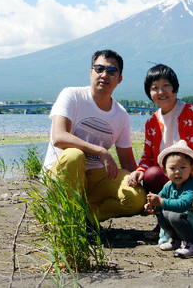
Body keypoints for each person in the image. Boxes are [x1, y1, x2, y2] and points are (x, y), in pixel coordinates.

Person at [42, 50, 146, 222]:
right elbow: (59, 137)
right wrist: (100, 151)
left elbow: (127, 161)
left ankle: (85, 218)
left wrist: (140, 181)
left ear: (119, 79)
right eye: (99, 69)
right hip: (64, 173)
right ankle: (65, 219)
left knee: (136, 198)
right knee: (74, 155)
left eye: (112, 71)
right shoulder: (72, 95)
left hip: (97, 177)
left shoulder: (121, 114)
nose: (104, 75)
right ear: (91, 73)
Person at [126, 64, 193, 193]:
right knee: (151, 175)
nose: (161, 92)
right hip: (163, 176)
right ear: (149, 93)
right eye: (155, 88)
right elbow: (147, 157)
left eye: (166, 86)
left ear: (174, 87)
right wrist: (139, 171)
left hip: (191, 175)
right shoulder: (151, 122)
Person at [144, 140, 193, 258]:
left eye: (183, 167)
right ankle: (176, 240)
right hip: (188, 226)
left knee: (174, 214)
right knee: (164, 213)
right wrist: (153, 206)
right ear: (164, 171)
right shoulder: (169, 186)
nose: (177, 172)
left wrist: (161, 202)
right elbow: (160, 202)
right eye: (172, 168)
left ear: (192, 169)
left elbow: (183, 204)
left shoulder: (192, 185)